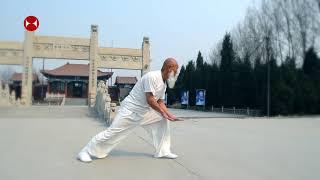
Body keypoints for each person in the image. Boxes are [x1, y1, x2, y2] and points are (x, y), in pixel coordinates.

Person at [77, 58, 181, 163]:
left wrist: (169, 115)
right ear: (169, 68)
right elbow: (150, 99)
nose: (176, 74)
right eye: (175, 71)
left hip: (144, 112)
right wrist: (163, 112)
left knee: (162, 120)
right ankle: (86, 151)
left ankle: (163, 151)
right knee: (112, 132)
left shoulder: (164, 84)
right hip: (130, 110)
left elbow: (160, 102)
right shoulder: (152, 77)